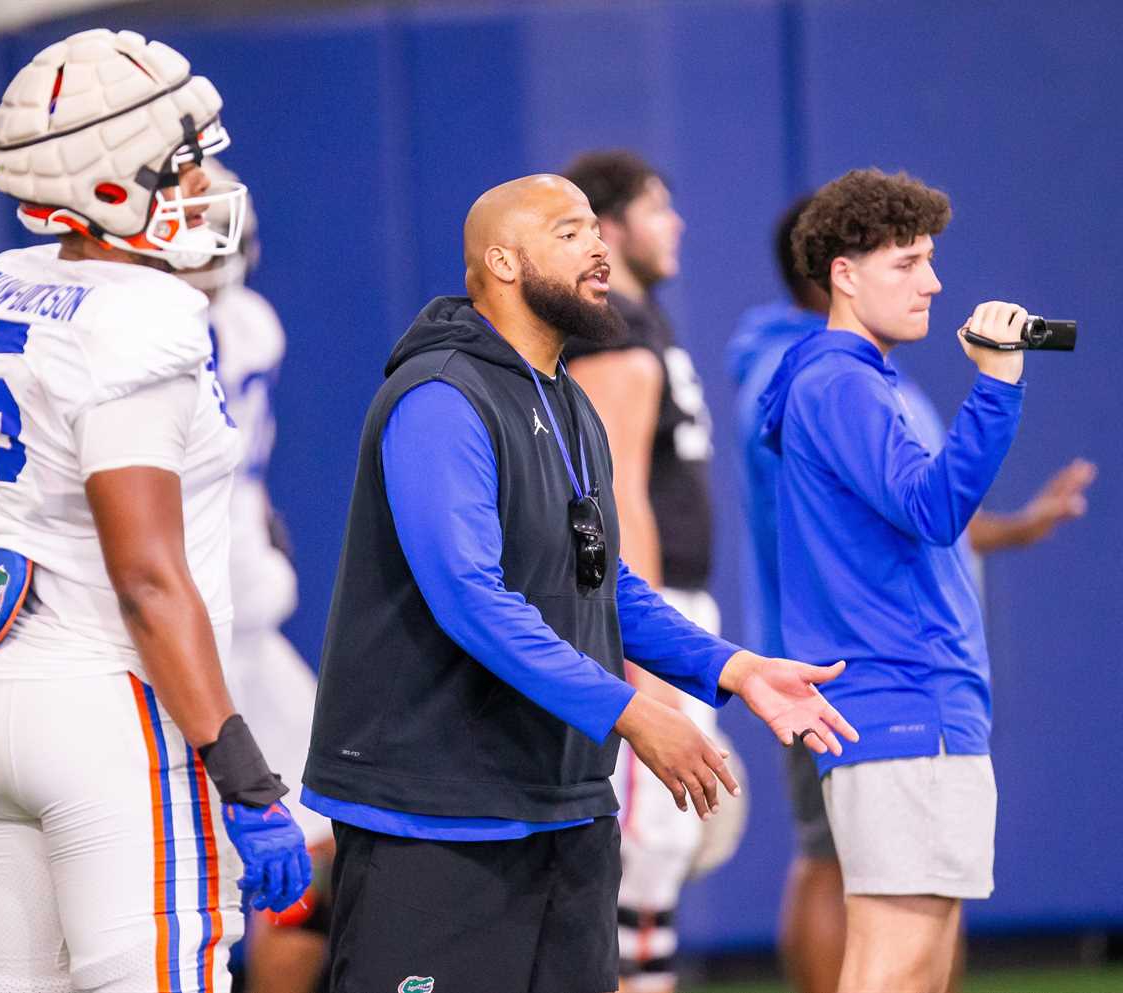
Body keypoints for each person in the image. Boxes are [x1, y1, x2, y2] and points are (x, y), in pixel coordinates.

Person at [301, 173, 857, 993]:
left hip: (564, 812)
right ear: (503, 261)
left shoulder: (569, 403)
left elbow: (602, 583)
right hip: (437, 819)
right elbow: (470, 598)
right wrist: (634, 712)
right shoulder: (439, 395)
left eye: (598, 228)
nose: (598, 247)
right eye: (568, 232)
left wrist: (733, 668)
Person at [0, 29, 310, 992]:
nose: (200, 187)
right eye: (180, 167)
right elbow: (146, 576)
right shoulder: (144, 316)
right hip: (109, 704)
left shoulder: (1, 285)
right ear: (109, 185)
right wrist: (244, 774)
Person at [728, 197, 1096, 993]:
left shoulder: (841, 380)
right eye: (906, 263)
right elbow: (932, 508)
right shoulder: (839, 382)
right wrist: (998, 381)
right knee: (897, 966)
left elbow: (910, 515)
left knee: (915, 962)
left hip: (910, 704)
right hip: (904, 704)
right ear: (844, 275)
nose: (932, 283)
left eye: (929, 259)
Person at [561, 150, 738, 993]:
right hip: (642, 609)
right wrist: (644, 644)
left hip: (672, 606)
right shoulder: (613, 330)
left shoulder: (646, 320)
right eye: (656, 207)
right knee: (644, 842)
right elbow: (612, 489)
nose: (676, 225)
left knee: (662, 845)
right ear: (611, 225)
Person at [181, 160, 334, 993]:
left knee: (321, 836)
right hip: (166, 626)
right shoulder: (155, 326)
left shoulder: (245, 323)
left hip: (238, 612)